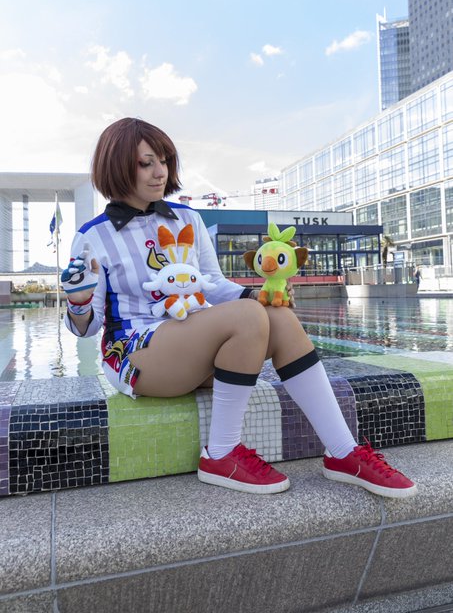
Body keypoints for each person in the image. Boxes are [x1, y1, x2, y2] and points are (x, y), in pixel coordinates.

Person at [62, 117, 417, 499]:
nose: (159, 172)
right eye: (145, 163)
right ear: (117, 166)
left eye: (163, 161)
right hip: (137, 355)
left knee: (277, 315)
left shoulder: (188, 219)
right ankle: (221, 453)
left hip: (194, 345)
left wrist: (258, 296)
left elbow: (213, 285)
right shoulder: (92, 236)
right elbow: (87, 329)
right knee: (249, 317)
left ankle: (344, 452)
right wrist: (78, 301)